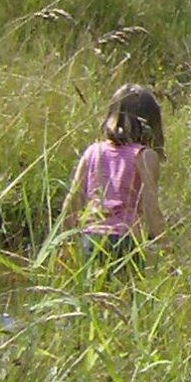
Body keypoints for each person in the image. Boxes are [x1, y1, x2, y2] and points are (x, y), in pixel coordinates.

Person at [59, 84, 167, 258]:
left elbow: (72, 201)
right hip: (125, 242)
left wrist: (63, 243)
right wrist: (166, 246)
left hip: (91, 240)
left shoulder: (93, 152)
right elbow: (150, 207)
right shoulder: (145, 156)